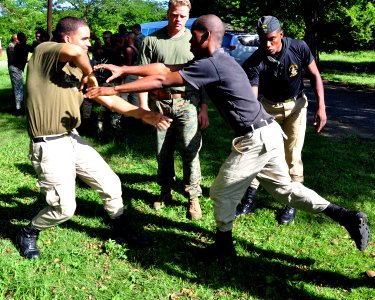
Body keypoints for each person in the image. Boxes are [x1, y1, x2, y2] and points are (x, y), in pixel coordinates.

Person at [85, 14, 370, 260]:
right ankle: (345, 215)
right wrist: (125, 70)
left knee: (220, 192)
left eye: (193, 37)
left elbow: (162, 80)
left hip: (256, 138)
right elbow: (162, 69)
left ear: (205, 36)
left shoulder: (211, 64)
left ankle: (223, 246)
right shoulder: (214, 60)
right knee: (285, 191)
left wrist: (113, 91)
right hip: (269, 132)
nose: (189, 43)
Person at [17, 16, 171, 259]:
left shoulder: (78, 69)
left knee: (111, 183)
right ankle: (28, 231)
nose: (89, 43)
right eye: (85, 38)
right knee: (64, 208)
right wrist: (89, 73)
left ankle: (120, 228)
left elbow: (106, 98)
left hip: (71, 138)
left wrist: (143, 114)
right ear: (68, 38)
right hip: (48, 143)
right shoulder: (43, 52)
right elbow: (75, 53)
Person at [236, 16, 328, 224]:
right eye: (262, 40)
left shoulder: (299, 48)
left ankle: (291, 203)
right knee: (261, 151)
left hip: (296, 106)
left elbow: (314, 75)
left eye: (271, 39)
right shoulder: (254, 62)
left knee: (292, 155)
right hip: (268, 108)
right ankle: (249, 200)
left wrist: (321, 107)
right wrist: (251, 124)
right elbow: (252, 98)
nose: (267, 44)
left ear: (281, 35)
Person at [137, 0, 209, 219]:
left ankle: (193, 198)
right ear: (168, 13)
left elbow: (205, 76)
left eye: (183, 16)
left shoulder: (193, 40)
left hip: (187, 103)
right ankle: (165, 190)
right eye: (174, 14)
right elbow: (142, 76)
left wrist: (204, 107)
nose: (178, 19)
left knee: (190, 150)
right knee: (163, 151)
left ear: (189, 16)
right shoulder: (151, 40)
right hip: (160, 103)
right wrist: (142, 108)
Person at [9, 32, 34, 116]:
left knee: (19, 89)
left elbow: (22, 57)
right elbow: (34, 49)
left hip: (16, 68)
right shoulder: (23, 46)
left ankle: (20, 108)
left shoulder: (18, 46)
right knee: (18, 89)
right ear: (25, 38)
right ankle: (18, 111)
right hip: (16, 69)